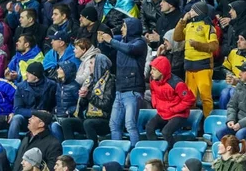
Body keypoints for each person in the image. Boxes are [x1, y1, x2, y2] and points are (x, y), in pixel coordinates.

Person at [97, 18, 147, 147]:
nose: (121, 29)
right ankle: (117, 152)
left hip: (133, 90)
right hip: (119, 89)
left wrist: (111, 40)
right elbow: (109, 52)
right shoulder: (120, 43)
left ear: (132, 28)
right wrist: (102, 42)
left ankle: (135, 152)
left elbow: (130, 49)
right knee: (113, 124)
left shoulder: (140, 43)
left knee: (130, 124)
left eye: (124, 26)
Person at [173, 2, 218, 117]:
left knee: (205, 96)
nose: (190, 12)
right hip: (189, 65)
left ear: (198, 12)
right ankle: (191, 120)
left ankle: (208, 120)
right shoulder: (188, 26)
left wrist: (197, 45)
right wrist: (183, 20)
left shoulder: (208, 27)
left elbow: (214, 46)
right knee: (189, 96)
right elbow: (177, 37)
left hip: (203, 65)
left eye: (192, 10)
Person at [60, 54, 114, 145]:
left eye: (92, 63)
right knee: (66, 122)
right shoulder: (89, 80)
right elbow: (83, 105)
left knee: (88, 123)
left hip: (105, 120)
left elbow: (106, 105)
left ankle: (92, 152)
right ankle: (71, 150)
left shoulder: (110, 81)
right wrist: (83, 97)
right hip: (88, 117)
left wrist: (88, 95)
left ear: (99, 65)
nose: (89, 66)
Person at [147, 56, 195, 147]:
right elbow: (153, 91)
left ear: (162, 70)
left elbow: (189, 100)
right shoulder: (152, 80)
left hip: (178, 114)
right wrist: (155, 103)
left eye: (154, 70)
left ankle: (172, 153)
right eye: (151, 69)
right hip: (163, 113)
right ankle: (157, 150)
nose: (151, 72)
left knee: (166, 132)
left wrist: (174, 109)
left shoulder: (177, 84)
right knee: (149, 127)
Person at [8, 62, 57, 139]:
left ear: (36, 76)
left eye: (29, 73)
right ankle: (12, 145)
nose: (26, 75)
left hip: (45, 119)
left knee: (55, 125)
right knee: (16, 119)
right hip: (28, 119)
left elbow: (56, 104)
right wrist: (36, 113)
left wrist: (49, 115)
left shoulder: (51, 85)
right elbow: (18, 109)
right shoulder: (21, 87)